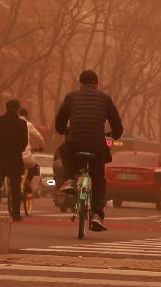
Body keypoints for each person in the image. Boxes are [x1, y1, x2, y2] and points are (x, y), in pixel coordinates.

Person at [55, 69, 124, 232]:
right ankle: (97, 215)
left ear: (80, 83)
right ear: (96, 84)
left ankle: (69, 180)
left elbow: (60, 121)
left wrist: (63, 130)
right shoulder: (105, 99)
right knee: (99, 179)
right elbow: (116, 124)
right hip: (96, 145)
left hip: (74, 142)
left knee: (64, 151)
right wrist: (114, 134)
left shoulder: (71, 97)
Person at [0, 98, 29, 220]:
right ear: (17, 109)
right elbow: (24, 143)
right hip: (15, 159)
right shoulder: (22, 124)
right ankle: (16, 214)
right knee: (15, 188)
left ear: (6, 108)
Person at [20, 107, 46, 202]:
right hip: (25, 156)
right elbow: (38, 137)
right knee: (34, 167)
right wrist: (41, 146)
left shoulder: (11, 124)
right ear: (26, 116)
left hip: (11, 156)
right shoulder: (28, 124)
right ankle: (26, 182)